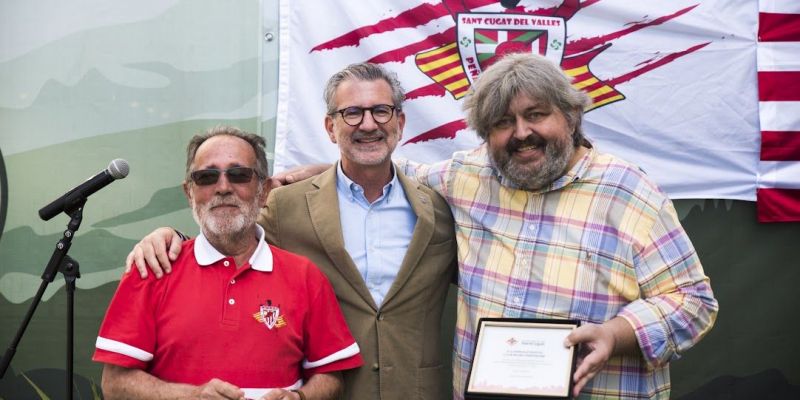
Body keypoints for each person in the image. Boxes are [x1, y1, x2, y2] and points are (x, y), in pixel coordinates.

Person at [394, 52, 719, 399]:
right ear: (485, 135)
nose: (521, 133)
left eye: (536, 114)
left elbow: (694, 301)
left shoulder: (627, 191)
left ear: (571, 115)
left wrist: (615, 333)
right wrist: (329, 173)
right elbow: (388, 175)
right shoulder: (467, 177)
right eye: (503, 122)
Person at [126, 64, 458, 400]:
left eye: (381, 111)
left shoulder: (439, 211)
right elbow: (229, 233)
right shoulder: (287, 205)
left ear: (399, 123)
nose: (368, 124)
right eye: (353, 113)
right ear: (331, 127)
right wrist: (170, 237)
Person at [94, 126, 362, 400]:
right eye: (207, 177)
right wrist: (192, 396)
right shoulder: (153, 268)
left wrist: (300, 398)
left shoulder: (305, 276)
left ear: (264, 190)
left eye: (239, 175)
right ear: (190, 193)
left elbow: (330, 376)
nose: (223, 188)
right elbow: (115, 384)